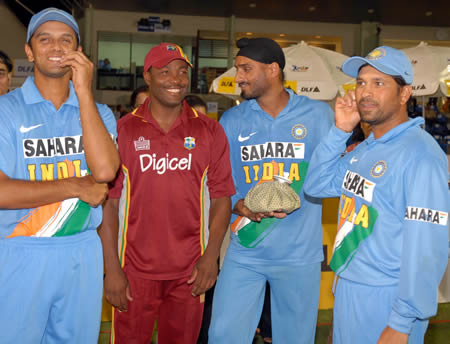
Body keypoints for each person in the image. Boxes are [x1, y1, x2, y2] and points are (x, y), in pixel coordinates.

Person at [303, 46, 449, 343]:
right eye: (360, 83)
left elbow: (427, 247)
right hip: (348, 289)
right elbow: (315, 185)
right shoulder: (367, 148)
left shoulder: (421, 155)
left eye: (378, 83)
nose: (365, 92)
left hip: (388, 298)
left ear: (405, 93)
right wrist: (340, 131)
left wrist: (401, 322)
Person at [99, 43, 235, 344]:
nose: (176, 79)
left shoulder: (210, 131)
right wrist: (111, 268)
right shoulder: (124, 130)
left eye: (182, 71)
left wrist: (211, 257)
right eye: (165, 71)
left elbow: (222, 198)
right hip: (133, 272)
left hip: (190, 272)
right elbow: (109, 202)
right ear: (147, 77)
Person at [0, 7, 120, 344]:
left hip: (81, 250)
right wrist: (73, 186)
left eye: (66, 40)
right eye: (45, 39)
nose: (56, 47)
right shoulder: (6, 111)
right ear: (29, 50)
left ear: (78, 52)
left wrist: (84, 92)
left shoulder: (98, 113)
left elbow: (105, 172)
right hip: (20, 249)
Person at [208, 37, 334, 344]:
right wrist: (240, 206)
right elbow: (222, 184)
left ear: (273, 69)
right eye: (238, 69)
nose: (238, 77)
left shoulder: (318, 116)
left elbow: (330, 174)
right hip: (246, 249)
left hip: (299, 254)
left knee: (294, 339)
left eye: (246, 69)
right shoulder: (232, 120)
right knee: (223, 335)